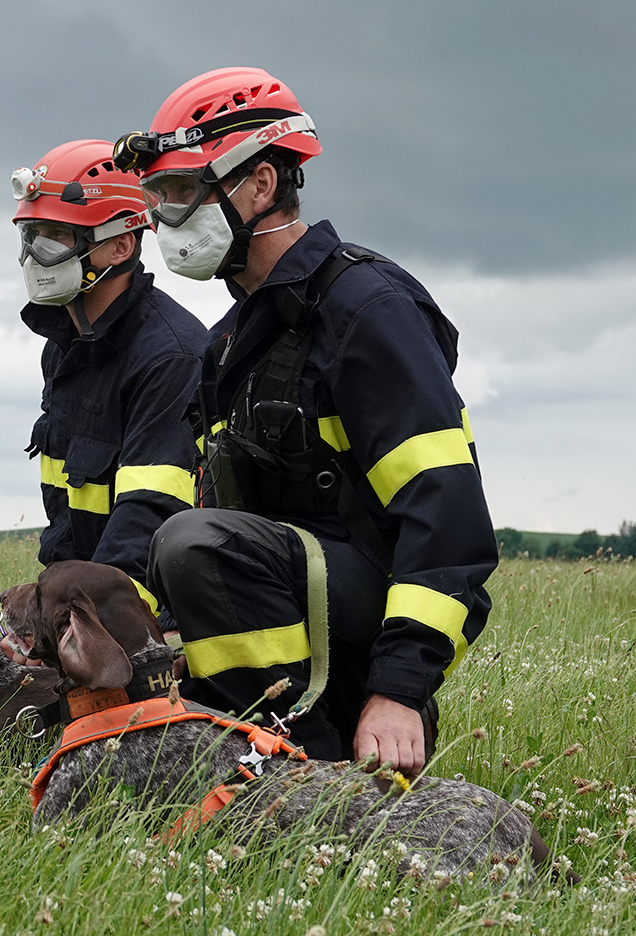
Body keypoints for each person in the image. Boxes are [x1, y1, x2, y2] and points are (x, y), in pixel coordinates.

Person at [114, 68, 497, 776]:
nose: (164, 220)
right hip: (287, 611)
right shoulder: (228, 343)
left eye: (181, 194)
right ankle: (250, 751)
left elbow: (449, 522)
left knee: (194, 542)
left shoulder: (366, 310)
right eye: (157, 197)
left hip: (366, 633)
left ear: (261, 185)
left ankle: (306, 771)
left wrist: (399, 689)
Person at [10, 140, 208, 617]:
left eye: (57, 235)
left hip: (146, 615)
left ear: (120, 246)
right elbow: (67, 521)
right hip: (82, 599)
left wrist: (80, 623)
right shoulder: (64, 349)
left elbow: (146, 520)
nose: (36, 255)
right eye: (31, 235)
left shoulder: (170, 357)